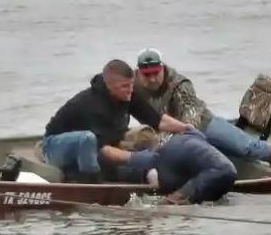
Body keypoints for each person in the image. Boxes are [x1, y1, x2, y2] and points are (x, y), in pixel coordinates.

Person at [131, 48, 271, 173]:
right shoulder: (131, 86)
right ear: (139, 72)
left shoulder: (179, 85)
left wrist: (165, 142)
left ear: (162, 68)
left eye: (156, 73)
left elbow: (190, 120)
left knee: (248, 148)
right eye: (147, 75)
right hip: (166, 134)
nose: (152, 79)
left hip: (202, 125)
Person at [41, 59, 192, 182]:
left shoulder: (128, 94)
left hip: (99, 144)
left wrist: (186, 128)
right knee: (88, 140)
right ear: (109, 85)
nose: (130, 90)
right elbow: (104, 150)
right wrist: (138, 158)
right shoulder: (92, 105)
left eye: (132, 84)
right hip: (55, 146)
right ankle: (89, 182)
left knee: (145, 137)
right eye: (125, 86)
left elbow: (158, 121)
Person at [116, 126, 237, 204]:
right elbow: (193, 130)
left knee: (165, 203)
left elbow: (152, 177)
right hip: (226, 171)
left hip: (214, 173)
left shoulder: (156, 157)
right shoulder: (188, 135)